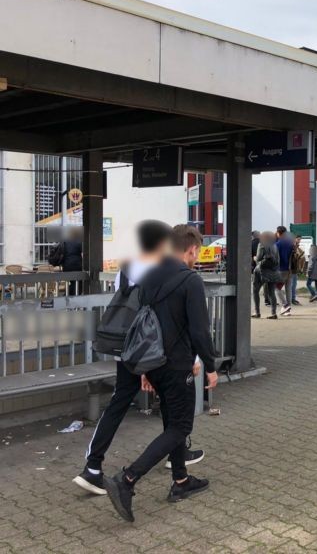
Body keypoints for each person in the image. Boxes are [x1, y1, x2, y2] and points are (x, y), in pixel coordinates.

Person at [73, 222, 206, 496]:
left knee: (120, 401)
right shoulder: (162, 270)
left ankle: (93, 465)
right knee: (172, 404)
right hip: (153, 348)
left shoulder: (126, 269)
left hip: (126, 345)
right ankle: (172, 462)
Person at [103, 225, 219, 522]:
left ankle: (181, 481)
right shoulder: (191, 281)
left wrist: (143, 370)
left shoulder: (150, 276)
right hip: (178, 365)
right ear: (191, 249)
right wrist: (210, 366)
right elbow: (199, 331)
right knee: (181, 427)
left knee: (171, 421)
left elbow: (140, 323)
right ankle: (127, 479)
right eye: (197, 252)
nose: (197, 257)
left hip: (152, 363)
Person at [255, 231, 283, 319]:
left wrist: (255, 258)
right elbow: (278, 260)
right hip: (273, 272)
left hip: (261, 271)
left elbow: (258, 258)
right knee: (271, 293)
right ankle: (273, 313)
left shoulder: (261, 245)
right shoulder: (275, 246)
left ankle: (257, 312)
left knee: (255, 291)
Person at [275, 226, 294, 316]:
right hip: (290, 269)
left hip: (280, 269)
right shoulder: (290, 244)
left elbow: (275, 258)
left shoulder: (277, 244)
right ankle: (288, 309)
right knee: (288, 289)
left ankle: (285, 305)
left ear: (278, 233)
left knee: (276, 288)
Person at [62, 227, 83, 295]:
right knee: (79, 283)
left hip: (66, 267)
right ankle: (68, 296)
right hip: (77, 266)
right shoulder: (79, 242)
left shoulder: (65, 242)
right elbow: (83, 255)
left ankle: (67, 296)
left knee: (73, 282)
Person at [289, 235, 305, 306]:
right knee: (292, 285)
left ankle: (292, 299)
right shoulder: (292, 247)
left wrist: (300, 268)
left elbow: (301, 258)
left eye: (300, 239)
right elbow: (294, 258)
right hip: (291, 269)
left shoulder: (298, 248)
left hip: (295, 269)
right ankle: (291, 299)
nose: (299, 241)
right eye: (298, 239)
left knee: (293, 285)